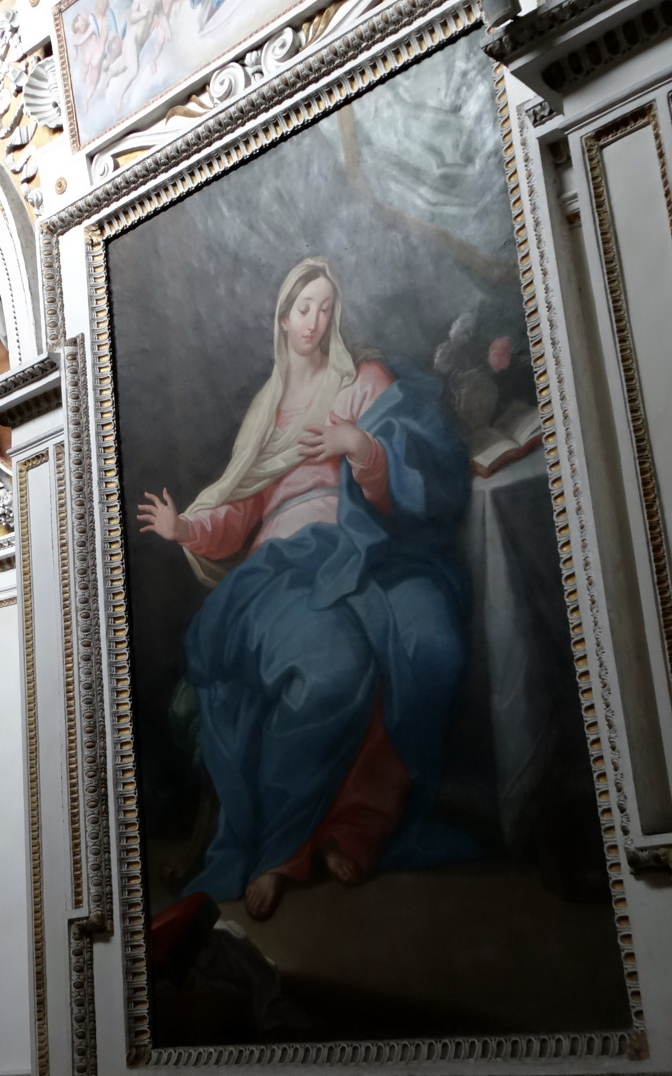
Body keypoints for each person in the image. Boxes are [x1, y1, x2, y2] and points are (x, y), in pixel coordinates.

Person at [138, 257, 479, 919]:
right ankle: (281, 849)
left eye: (326, 308)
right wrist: (185, 529)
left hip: (370, 549)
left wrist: (361, 447)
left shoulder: (365, 382)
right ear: (282, 317)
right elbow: (238, 508)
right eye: (303, 308)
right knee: (331, 670)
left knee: (426, 646)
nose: (315, 322)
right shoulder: (270, 412)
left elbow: (412, 464)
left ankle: (352, 827)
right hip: (286, 564)